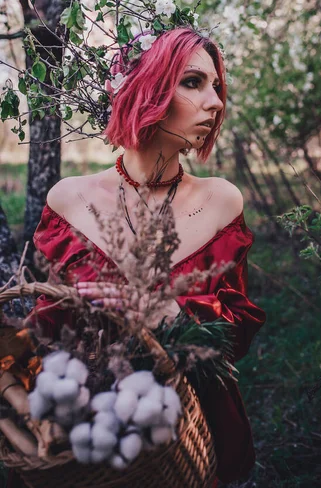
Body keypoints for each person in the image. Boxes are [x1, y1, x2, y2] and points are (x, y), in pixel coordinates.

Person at [29, 27, 266, 486]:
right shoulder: (69, 201)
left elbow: (238, 334)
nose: (216, 102)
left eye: (216, 86)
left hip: (191, 431)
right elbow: (47, 334)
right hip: (91, 433)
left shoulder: (222, 201)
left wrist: (168, 312)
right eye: (193, 82)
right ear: (146, 86)